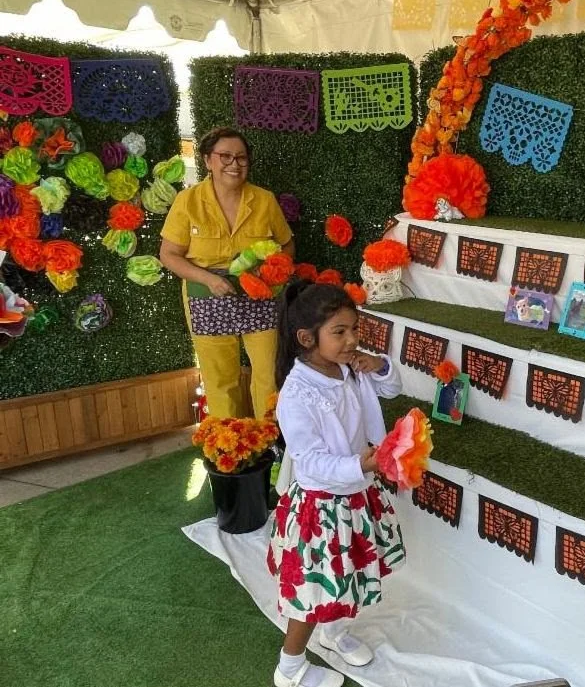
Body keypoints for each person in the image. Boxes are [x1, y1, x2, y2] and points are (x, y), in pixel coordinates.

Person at [268, 281, 405, 687]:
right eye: (339, 332)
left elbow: (392, 387)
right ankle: (289, 668)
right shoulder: (297, 393)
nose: (352, 340)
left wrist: (378, 365)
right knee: (312, 592)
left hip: (355, 494)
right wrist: (360, 464)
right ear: (307, 338)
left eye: (355, 329)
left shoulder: (350, 368)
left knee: (352, 571)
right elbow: (309, 460)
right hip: (321, 507)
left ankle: (334, 631)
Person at [159, 127, 294, 419]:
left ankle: (270, 438)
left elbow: (286, 244)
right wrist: (209, 279)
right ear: (208, 160)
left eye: (241, 157)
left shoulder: (264, 200)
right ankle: (228, 442)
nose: (234, 164)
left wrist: (272, 273)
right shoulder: (188, 201)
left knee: (268, 375)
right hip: (207, 297)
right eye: (225, 156)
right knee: (220, 380)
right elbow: (168, 255)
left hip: (260, 298)